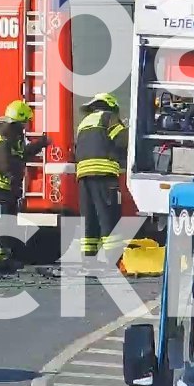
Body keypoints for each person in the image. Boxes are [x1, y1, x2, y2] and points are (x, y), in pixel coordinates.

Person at [0, 100, 48, 272]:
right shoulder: (3, 131)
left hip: (5, 189)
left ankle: (2, 261)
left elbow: (22, 154)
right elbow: (2, 156)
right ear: (20, 119)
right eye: (26, 121)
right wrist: (10, 175)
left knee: (5, 226)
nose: (26, 125)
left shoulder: (13, 134)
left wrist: (41, 143)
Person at [74, 93, 128, 263]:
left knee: (89, 218)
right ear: (111, 106)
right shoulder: (109, 117)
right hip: (103, 174)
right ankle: (113, 259)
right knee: (107, 215)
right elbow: (122, 140)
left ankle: (89, 259)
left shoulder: (84, 123)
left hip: (83, 176)